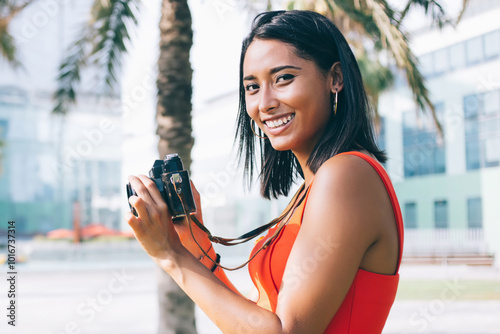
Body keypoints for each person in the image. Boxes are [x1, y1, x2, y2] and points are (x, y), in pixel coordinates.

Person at [126, 10, 404, 334]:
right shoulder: (311, 189)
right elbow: (259, 322)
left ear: (335, 78)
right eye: (252, 87)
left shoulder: (346, 175)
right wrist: (192, 240)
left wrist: (171, 256)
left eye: (283, 78)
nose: (265, 102)